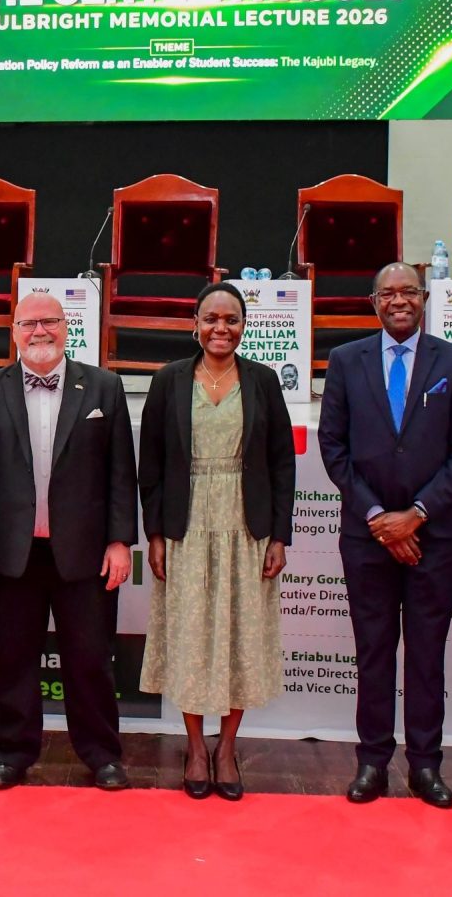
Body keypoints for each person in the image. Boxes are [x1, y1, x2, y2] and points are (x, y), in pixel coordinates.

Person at [318, 262, 452, 809]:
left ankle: (426, 766)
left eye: (408, 290)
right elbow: (333, 450)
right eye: (387, 292)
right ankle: (372, 762)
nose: (398, 300)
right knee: (374, 652)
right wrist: (378, 519)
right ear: (374, 302)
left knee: (427, 654)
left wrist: (414, 514)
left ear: (425, 297)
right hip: (366, 536)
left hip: (434, 536)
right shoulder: (345, 360)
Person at [0, 291, 136, 792]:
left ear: (67, 327)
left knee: (89, 660)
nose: (40, 332)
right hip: (10, 553)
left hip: (84, 554)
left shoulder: (103, 387)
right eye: (28, 324)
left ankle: (102, 754)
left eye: (50, 322)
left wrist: (120, 541)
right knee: (15, 659)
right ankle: (13, 753)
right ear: (13, 332)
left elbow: (120, 471)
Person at [139, 283, 295, 800]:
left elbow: (281, 464)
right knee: (189, 636)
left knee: (238, 636)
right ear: (196, 323)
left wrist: (279, 535)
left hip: (246, 525)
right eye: (211, 318)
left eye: (231, 319)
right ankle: (195, 746)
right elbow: (152, 466)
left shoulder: (263, 380)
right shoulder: (168, 380)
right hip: (186, 525)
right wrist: (155, 533)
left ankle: (226, 747)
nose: (220, 328)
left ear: (244, 325)